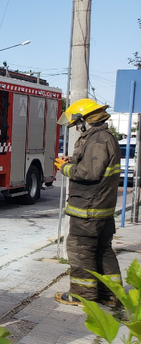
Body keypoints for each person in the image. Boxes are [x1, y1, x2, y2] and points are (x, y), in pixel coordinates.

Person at [54, 99, 123, 307]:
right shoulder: (104, 138)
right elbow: (93, 167)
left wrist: (64, 168)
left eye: (77, 123)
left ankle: (82, 295)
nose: (76, 127)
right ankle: (110, 294)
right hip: (102, 209)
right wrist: (73, 161)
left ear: (85, 120)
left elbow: (88, 173)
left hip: (87, 211)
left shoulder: (97, 140)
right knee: (103, 251)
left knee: (80, 251)